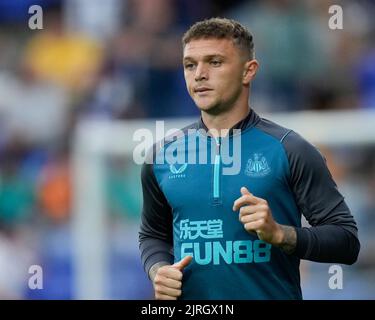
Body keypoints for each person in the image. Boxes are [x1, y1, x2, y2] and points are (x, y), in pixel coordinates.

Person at [138, 18, 360, 300]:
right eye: (190, 65)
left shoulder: (289, 149)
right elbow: (152, 235)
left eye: (215, 62)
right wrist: (158, 270)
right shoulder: (162, 156)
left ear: (248, 71)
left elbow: (347, 241)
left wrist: (281, 234)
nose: (200, 74)